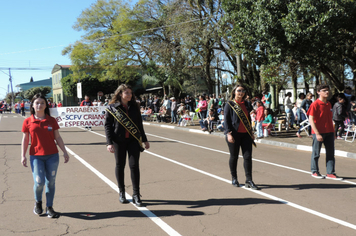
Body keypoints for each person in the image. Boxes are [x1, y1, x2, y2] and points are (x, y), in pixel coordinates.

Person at [21, 94, 69, 218]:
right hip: (36, 156)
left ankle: (49, 207)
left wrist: (64, 151)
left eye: (42, 102)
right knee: (39, 182)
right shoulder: (28, 121)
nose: (39, 105)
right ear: (32, 105)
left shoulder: (52, 120)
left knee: (51, 182)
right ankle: (38, 203)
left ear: (46, 105)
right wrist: (23, 155)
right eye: (37, 103)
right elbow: (25, 140)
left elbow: (57, 137)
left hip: (52, 156)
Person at [104, 84, 150, 207]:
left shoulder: (135, 106)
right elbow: (108, 126)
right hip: (118, 141)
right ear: (120, 94)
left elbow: (140, 125)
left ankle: (136, 195)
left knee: (134, 166)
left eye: (130, 93)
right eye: (126, 93)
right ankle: (122, 193)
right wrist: (109, 142)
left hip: (133, 140)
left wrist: (145, 140)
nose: (129, 95)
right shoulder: (112, 108)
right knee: (120, 165)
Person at [224, 84, 259, 190]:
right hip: (234, 134)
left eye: (243, 90)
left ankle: (249, 180)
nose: (241, 92)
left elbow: (248, 119)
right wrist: (228, 133)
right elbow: (226, 120)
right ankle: (234, 178)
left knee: (248, 157)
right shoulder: (229, 104)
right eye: (239, 90)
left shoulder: (247, 104)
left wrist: (251, 132)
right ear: (234, 91)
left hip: (246, 134)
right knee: (234, 156)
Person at [307, 84, 342, 180]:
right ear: (318, 92)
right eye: (324, 90)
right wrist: (317, 133)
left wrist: (334, 132)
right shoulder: (315, 104)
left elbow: (330, 119)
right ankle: (314, 171)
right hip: (318, 132)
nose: (327, 92)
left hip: (329, 132)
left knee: (330, 153)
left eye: (328, 90)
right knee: (316, 153)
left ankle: (330, 173)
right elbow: (311, 119)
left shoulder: (329, 104)